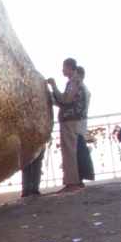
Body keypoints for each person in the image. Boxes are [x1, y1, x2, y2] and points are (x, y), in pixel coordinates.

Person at [47, 58, 87, 193]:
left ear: (70, 67)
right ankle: (71, 181)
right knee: (68, 150)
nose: (62, 70)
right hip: (68, 119)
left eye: (63, 67)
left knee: (69, 151)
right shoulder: (72, 82)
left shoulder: (74, 82)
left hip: (69, 121)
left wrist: (53, 86)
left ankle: (72, 183)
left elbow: (65, 99)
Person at [75, 66, 95, 182]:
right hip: (79, 126)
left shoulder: (81, 89)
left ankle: (80, 177)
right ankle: (81, 177)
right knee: (79, 151)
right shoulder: (82, 89)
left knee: (78, 152)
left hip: (77, 126)